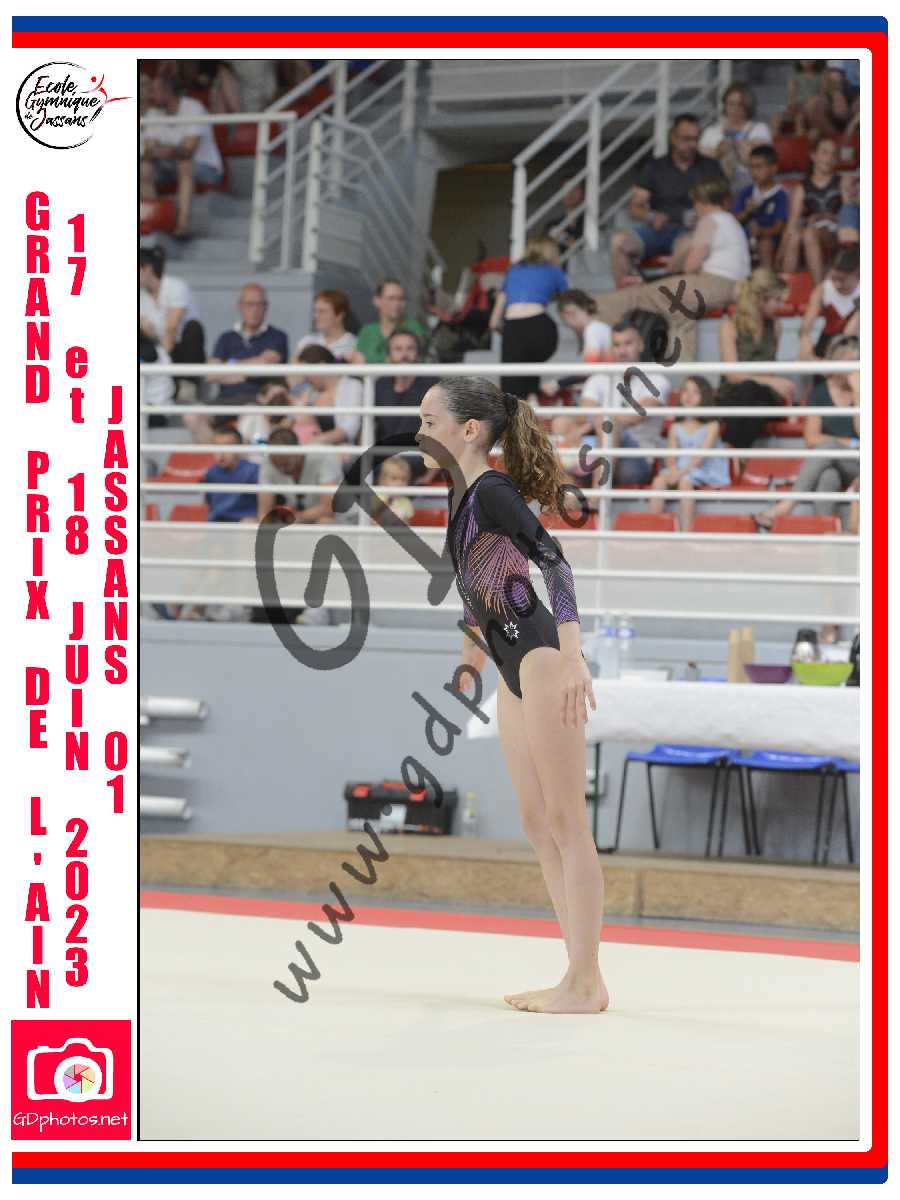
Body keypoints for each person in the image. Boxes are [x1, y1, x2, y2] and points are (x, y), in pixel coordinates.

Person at [414, 376, 606, 1014]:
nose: (419, 432)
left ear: (469, 431)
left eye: (429, 421)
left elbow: (554, 562)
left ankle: (584, 980)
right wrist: (469, 660)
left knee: (567, 821)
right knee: (536, 821)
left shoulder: (492, 490)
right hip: (509, 663)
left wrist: (573, 658)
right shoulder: (462, 493)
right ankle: (579, 973)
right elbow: (481, 584)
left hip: (544, 658)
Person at [594, 176, 751, 363]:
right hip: (732, 287)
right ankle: (683, 368)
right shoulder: (731, 221)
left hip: (712, 284)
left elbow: (690, 266)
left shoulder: (710, 221)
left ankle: (596, 313)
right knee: (679, 314)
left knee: (637, 296)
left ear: (700, 202)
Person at [608, 114, 726, 289]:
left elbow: (724, 204)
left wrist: (703, 217)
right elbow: (634, 207)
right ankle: (626, 299)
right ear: (673, 138)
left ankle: (659, 290)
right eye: (686, 139)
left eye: (695, 139)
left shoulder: (710, 166)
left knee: (688, 246)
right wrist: (650, 216)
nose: (692, 144)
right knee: (618, 242)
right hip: (658, 229)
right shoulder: (655, 167)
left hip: (691, 230)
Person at [753, 338, 860, 530]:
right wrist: (850, 443)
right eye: (851, 361)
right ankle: (828, 531)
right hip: (831, 459)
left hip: (860, 464)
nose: (856, 366)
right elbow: (812, 439)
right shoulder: (819, 393)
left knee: (828, 448)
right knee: (828, 476)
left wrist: (859, 393)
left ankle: (787, 505)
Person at [578, 317, 672, 487]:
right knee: (561, 424)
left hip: (636, 459)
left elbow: (636, 416)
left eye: (628, 343)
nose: (622, 351)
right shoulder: (599, 378)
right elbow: (584, 413)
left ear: (640, 345)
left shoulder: (657, 379)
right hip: (596, 451)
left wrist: (598, 420)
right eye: (616, 345)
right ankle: (567, 500)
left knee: (606, 423)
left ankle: (597, 499)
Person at [140, 72, 225, 239]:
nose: (150, 95)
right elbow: (148, 150)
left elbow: (189, 150)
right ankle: (159, 218)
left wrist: (163, 150)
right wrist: (167, 150)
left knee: (184, 163)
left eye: (154, 91)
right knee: (143, 167)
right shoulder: (153, 113)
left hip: (207, 168)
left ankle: (182, 224)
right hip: (170, 165)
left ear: (168, 92)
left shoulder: (194, 108)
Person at [716, 269, 793, 449]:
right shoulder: (729, 325)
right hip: (734, 394)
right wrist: (772, 382)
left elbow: (770, 370)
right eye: (777, 300)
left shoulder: (776, 326)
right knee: (749, 394)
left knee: (754, 396)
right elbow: (732, 376)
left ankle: (729, 452)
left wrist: (769, 382)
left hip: (762, 394)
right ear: (760, 300)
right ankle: (735, 453)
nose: (781, 306)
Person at [489, 235, 568, 400]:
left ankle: (529, 400)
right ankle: (533, 397)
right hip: (541, 327)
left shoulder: (513, 271)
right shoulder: (554, 270)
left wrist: (511, 336)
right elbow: (570, 302)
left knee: (512, 392)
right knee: (532, 368)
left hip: (513, 329)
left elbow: (494, 323)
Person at [647, 375, 729, 530]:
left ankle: (687, 531)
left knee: (685, 483)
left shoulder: (712, 425)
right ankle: (655, 529)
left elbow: (701, 458)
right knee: (658, 481)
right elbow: (671, 456)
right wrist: (673, 470)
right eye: (685, 390)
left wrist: (679, 474)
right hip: (681, 468)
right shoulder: (675, 427)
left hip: (703, 468)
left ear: (705, 396)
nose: (689, 396)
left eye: (695, 392)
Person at [543, 291, 613, 446]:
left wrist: (558, 383)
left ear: (569, 313)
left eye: (565, 322)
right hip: (603, 395)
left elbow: (590, 370)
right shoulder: (601, 328)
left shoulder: (593, 330)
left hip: (601, 397)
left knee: (560, 423)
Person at [208, 283, 290, 415]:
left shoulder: (277, 336)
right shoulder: (226, 337)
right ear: (240, 306)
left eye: (259, 304)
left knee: (250, 414)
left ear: (266, 307)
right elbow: (211, 375)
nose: (254, 310)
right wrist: (249, 369)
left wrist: (229, 365)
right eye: (250, 304)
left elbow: (264, 364)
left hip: (259, 400)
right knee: (193, 416)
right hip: (225, 400)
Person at [139, 246, 206, 400]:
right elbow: (149, 332)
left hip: (184, 351)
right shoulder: (140, 296)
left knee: (193, 328)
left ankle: (188, 383)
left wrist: (161, 360)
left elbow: (172, 328)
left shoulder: (175, 286)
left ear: (147, 268)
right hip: (162, 349)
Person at [777, 135, 842, 283]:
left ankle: (817, 287)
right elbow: (792, 223)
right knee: (795, 235)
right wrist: (780, 253)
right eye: (824, 152)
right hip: (813, 230)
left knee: (809, 233)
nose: (829, 158)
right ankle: (786, 286)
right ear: (813, 156)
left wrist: (827, 216)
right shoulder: (802, 188)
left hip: (836, 230)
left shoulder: (842, 182)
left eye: (834, 154)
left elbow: (853, 216)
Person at [373, 330, 431, 481]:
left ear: (418, 354)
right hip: (384, 453)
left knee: (395, 469)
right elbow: (368, 426)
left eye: (410, 349)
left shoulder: (432, 385)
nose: (404, 355)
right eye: (398, 349)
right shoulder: (380, 385)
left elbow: (446, 433)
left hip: (418, 455)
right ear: (389, 355)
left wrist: (431, 474)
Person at [291, 345, 363, 460]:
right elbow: (295, 420)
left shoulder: (352, 386)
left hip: (341, 450)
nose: (306, 378)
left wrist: (316, 442)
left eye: (307, 373)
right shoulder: (310, 392)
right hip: (312, 449)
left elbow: (350, 427)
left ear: (322, 366)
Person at [257, 426, 341, 524]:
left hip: (335, 518)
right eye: (276, 465)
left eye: (286, 464)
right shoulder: (268, 462)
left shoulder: (323, 455)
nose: (281, 469)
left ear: (298, 451)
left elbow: (328, 509)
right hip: (295, 519)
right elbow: (263, 512)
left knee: (325, 522)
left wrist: (292, 519)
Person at [698, 83, 772, 190]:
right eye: (731, 104)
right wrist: (718, 151)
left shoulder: (760, 129)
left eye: (740, 104)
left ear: (747, 106)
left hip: (750, 185)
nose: (735, 109)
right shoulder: (711, 131)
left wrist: (736, 145)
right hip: (716, 186)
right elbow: (700, 160)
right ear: (725, 105)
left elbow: (759, 161)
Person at [731, 144, 789, 268]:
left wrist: (761, 231)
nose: (754, 172)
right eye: (751, 167)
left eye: (759, 167)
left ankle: (765, 277)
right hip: (744, 238)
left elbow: (779, 227)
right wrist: (747, 212)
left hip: (769, 238)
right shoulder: (746, 192)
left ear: (773, 168)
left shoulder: (780, 195)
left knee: (765, 244)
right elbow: (733, 221)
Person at [798, 245, 860, 360]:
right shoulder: (822, 290)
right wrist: (805, 341)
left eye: (842, 280)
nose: (837, 284)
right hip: (828, 343)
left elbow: (850, 332)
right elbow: (806, 326)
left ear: (857, 274)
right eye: (834, 278)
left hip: (855, 344)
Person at [350, 279, 428, 364]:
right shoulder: (367, 332)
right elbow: (358, 362)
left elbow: (418, 360)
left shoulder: (413, 328)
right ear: (377, 301)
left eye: (401, 299)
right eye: (391, 298)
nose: (397, 304)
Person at [203, 428, 260, 522]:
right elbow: (209, 503)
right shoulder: (211, 473)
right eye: (217, 447)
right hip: (217, 525)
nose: (221, 453)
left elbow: (266, 506)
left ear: (239, 448)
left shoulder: (253, 471)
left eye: (227, 447)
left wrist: (255, 519)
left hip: (244, 524)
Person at [293, 290, 357, 362]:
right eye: (315, 311)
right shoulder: (305, 342)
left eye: (322, 311)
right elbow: (292, 368)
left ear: (340, 315)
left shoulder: (353, 345)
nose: (316, 316)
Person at [771, 61, 825, 137]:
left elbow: (822, 94)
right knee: (776, 117)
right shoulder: (795, 77)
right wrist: (792, 104)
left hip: (812, 108)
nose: (806, 61)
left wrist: (813, 102)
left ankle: (800, 141)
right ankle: (776, 140)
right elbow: (791, 93)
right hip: (796, 106)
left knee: (799, 118)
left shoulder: (820, 77)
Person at [543, 179, 586, 254]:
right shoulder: (552, 225)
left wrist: (564, 238)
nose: (570, 193)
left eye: (575, 189)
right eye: (565, 189)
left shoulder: (594, 222)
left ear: (584, 193)